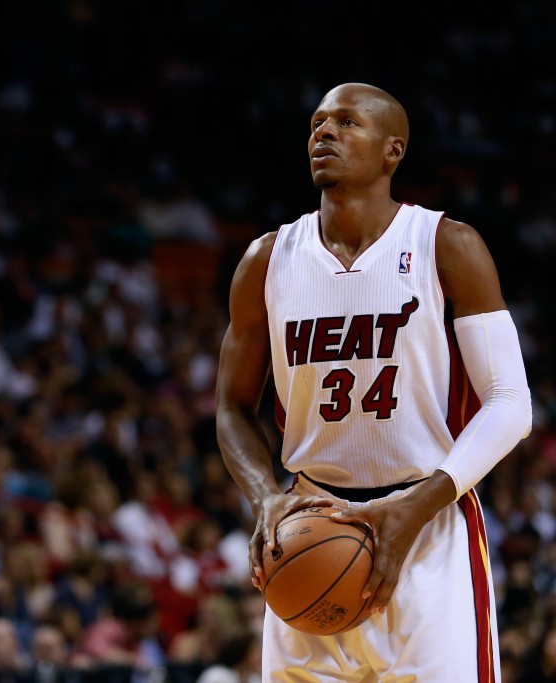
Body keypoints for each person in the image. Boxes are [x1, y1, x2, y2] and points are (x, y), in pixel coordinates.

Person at [215, 82, 532, 681]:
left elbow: (511, 403)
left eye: (346, 122)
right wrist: (266, 498)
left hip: (427, 527)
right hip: (308, 530)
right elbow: (232, 406)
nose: (323, 133)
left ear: (393, 151)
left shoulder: (447, 246)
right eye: (317, 123)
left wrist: (418, 506)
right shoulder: (266, 260)